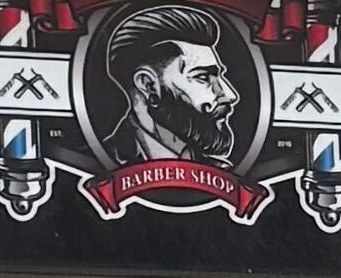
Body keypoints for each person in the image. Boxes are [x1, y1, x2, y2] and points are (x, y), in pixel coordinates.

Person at [100, 5, 242, 166]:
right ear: (148, 85)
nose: (230, 95)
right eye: (202, 77)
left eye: (218, 77)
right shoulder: (101, 159)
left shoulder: (219, 169)